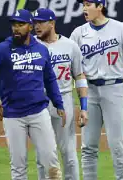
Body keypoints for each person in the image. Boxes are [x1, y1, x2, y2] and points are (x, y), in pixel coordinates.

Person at [0, 9, 65, 180]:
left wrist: (59, 103)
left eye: (20, 24)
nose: (16, 28)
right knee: (18, 167)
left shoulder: (42, 50)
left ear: (30, 26)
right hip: (13, 115)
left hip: (38, 113)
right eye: (14, 24)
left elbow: (50, 79)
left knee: (51, 163)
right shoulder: (3, 49)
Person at [70, 0, 123, 179]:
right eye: (83, 4)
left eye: (88, 4)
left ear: (100, 6)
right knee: (88, 147)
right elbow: (72, 65)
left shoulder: (121, 29)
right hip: (89, 92)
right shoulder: (78, 33)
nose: (84, 8)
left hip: (113, 90)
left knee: (117, 145)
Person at [33, 8, 88, 180]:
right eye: (35, 23)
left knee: (68, 151)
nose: (37, 26)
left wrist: (84, 107)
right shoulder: (30, 45)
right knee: (42, 153)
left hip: (64, 100)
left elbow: (79, 76)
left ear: (52, 23)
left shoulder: (70, 46)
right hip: (38, 101)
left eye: (41, 22)